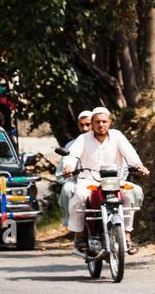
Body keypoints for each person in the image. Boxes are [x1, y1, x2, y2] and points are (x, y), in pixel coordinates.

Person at [62, 107, 149, 255]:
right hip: (89, 180)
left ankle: (127, 236)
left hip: (114, 180)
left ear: (109, 122)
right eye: (97, 122)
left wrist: (139, 166)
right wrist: (69, 166)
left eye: (104, 121)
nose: (100, 124)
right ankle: (79, 236)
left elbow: (130, 154)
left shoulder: (117, 136)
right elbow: (72, 155)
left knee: (129, 194)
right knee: (79, 196)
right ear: (92, 123)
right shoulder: (83, 139)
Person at [56, 109, 94, 224]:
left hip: (100, 179)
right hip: (78, 180)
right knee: (67, 189)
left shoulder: (106, 140)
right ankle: (72, 224)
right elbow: (62, 171)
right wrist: (67, 171)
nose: (85, 128)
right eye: (82, 125)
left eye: (88, 124)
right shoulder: (71, 145)